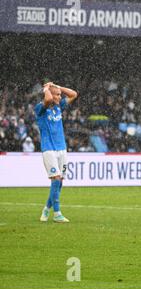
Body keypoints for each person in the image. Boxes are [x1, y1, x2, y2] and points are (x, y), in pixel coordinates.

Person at [35, 82, 78, 223]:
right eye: (58, 95)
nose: (60, 97)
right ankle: (57, 213)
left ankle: (47, 208)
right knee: (56, 178)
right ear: (50, 95)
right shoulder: (40, 108)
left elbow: (73, 94)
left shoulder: (59, 107)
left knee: (59, 182)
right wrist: (47, 89)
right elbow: (47, 100)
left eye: (60, 95)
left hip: (62, 148)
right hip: (49, 149)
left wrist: (57, 86)